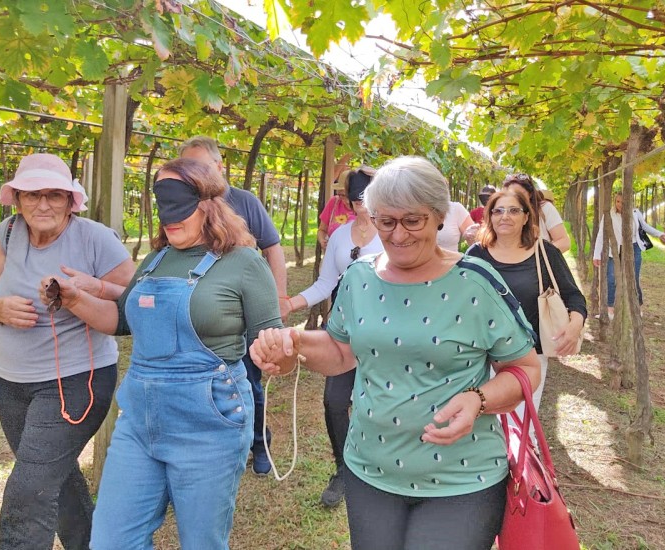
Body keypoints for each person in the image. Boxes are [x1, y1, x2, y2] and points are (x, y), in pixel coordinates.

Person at [251, 156, 541, 550]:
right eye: (386, 222)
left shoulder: (476, 282)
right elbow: (340, 351)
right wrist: (294, 343)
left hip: (462, 478)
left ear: (439, 217)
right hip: (370, 470)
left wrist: (478, 399)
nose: (398, 234)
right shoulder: (359, 277)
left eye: (412, 221)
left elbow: (525, 367)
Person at [46, 158, 283, 549]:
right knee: (111, 541)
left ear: (208, 203)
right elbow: (121, 320)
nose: (168, 218)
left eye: (178, 204)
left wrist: (279, 355)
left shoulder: (244, 263)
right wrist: (74, 299)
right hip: (140, 423)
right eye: (161, 204)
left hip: (208, 425)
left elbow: (270, 342)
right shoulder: (155, 259)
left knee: (201, 544)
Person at [0, 153, 136, 550]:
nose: (43, 204)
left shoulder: (96, 238)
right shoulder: (7, 232)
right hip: (8, 381)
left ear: (70, 200)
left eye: (54, 195)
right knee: (51, 478)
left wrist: (87, 292)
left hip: (75, 383)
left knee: (29, 489)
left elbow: (137, 302)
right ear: (17, 199)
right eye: (32, 194)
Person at [179, 136, 287, 475]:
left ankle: (259, 441)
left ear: (219, 166)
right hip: (203, 313)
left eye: (201, 166)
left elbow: (273, 248)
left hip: (243, 310)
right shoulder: (184, 205)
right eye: (187, 169)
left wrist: (279, 298)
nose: (195, 174)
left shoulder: (244, 201)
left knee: (249, 380)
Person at [285, 166, 382, 507]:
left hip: (384, 330)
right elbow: (325, 284)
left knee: (380, 402)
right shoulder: (340, 236)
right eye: (355, 199)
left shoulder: (392, 232)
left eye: (367, 197)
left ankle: (379, 469)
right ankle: (343, 468)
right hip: (344, 329)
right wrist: (290, 303)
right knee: (335, 401)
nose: (361, 205)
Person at [466, 190, 587, 415]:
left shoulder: (545, 252)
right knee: (482, 420)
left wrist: (575, 326)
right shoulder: (477, 254)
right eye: (498, 211)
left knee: (522, 426)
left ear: (526, 217)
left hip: (529, 357)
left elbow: (574, 297)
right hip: (482, 355)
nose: (505, 216)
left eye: (514, 210)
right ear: (489, 217)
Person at [592, 193, 665, 319]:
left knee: (633, 278)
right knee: (611, 278)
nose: (620, 204)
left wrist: (660, 234)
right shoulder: (609, 214)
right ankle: (610, 309)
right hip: (615, 249)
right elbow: (601, 234)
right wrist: (596, 255)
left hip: (633, 248)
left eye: (623, 202)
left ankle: (637, 307)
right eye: (618, 201)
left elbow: (645, 226)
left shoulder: (635, 213)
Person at [501, 173, 571, 253]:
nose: (517, 198)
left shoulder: (545, 208)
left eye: (521, 194)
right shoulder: (502, 214)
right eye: (512, 194)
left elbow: (564, 242)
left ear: (530, 194)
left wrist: (536, 255)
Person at [316, 170, 357, 250]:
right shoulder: (334, 202)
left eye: (349, 196)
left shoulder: (363, 207)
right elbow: (322, 230)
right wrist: (322, 240)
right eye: (342, 195)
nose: (347, 201)